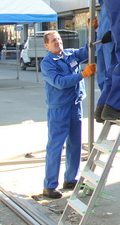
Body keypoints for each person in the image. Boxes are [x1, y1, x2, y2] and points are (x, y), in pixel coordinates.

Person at [41, 30, 96, 198]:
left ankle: (70, 179)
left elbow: (88, 49)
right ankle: (49, 186)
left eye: (58, 39)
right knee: (55, 146)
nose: (58, 42)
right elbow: (59, 82)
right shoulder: (48, 63)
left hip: (74, 105)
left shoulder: (70, 54)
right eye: (54, 41)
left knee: (75, 144)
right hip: (59, 108)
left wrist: (92, 31)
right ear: (47, 45)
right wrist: (82, 74)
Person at [93, 0, 114, 123]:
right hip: (102, 37)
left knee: (111, 74)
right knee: (103, 74)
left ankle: (104, 106)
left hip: (112, 37)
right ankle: (104, 105)